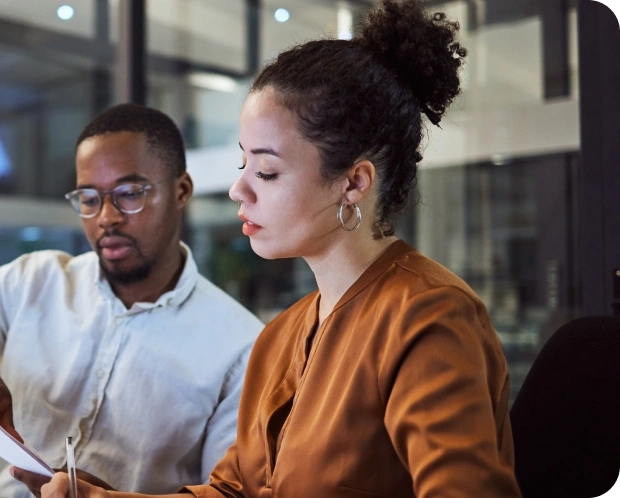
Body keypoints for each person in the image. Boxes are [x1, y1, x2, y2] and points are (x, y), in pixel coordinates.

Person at [32, 1, 522, 496]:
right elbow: (233, 490)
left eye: (266, 171)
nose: (238, 190)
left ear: (353, 182)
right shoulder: (281, 337)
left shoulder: (428, 317)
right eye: (244, 165)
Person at [0, 103, 264, 497]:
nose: (106, 217)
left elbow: (226, 493)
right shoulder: (34, 281)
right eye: (89, 198)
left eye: (129, 193)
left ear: (181, 191)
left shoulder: (243, 346)